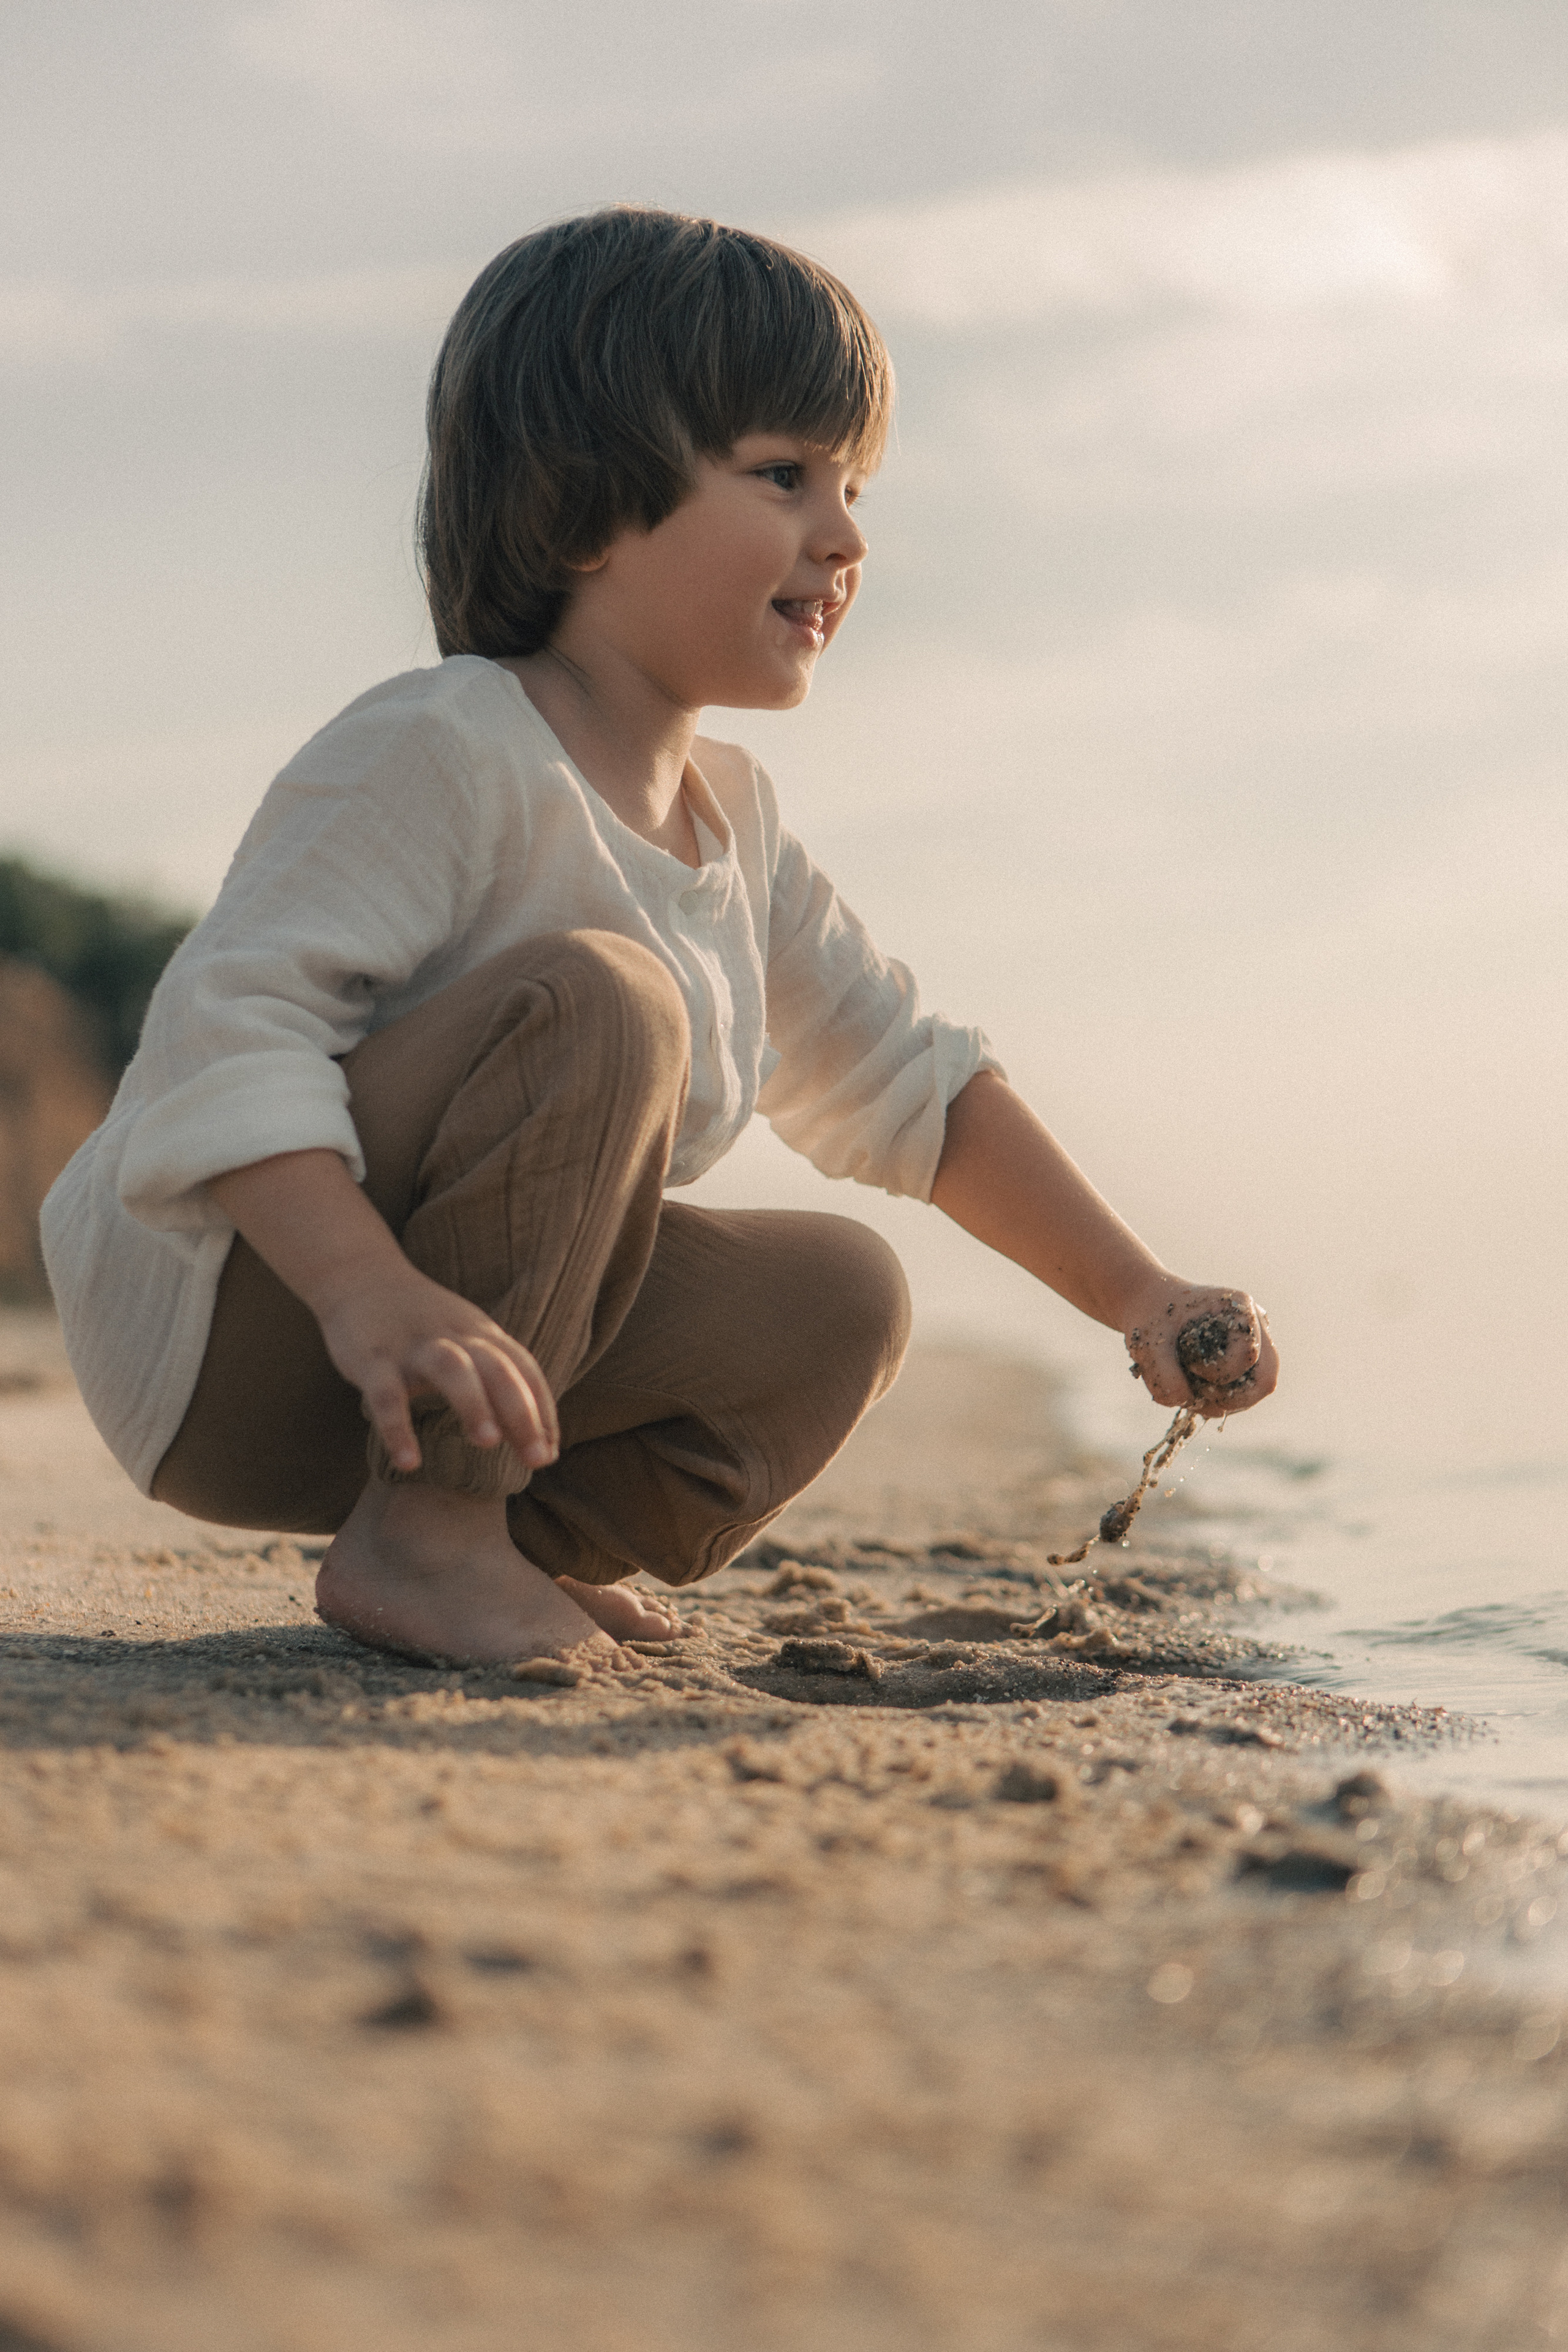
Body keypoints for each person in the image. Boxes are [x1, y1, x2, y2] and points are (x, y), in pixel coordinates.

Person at [41, 207, 1278, 1672]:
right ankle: (427, 1540)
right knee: (606, 999)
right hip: (240, 1327)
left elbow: (909, 1086)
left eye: (851, 482)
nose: (845, 534)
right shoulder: (447, 746)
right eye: (781, 475)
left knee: (842, 1299)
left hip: (454, 1378)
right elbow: (224, 1034)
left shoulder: (732, 827)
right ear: (578, 511)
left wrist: (1141, 1294)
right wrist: (366, 1291)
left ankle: (490, 1544)